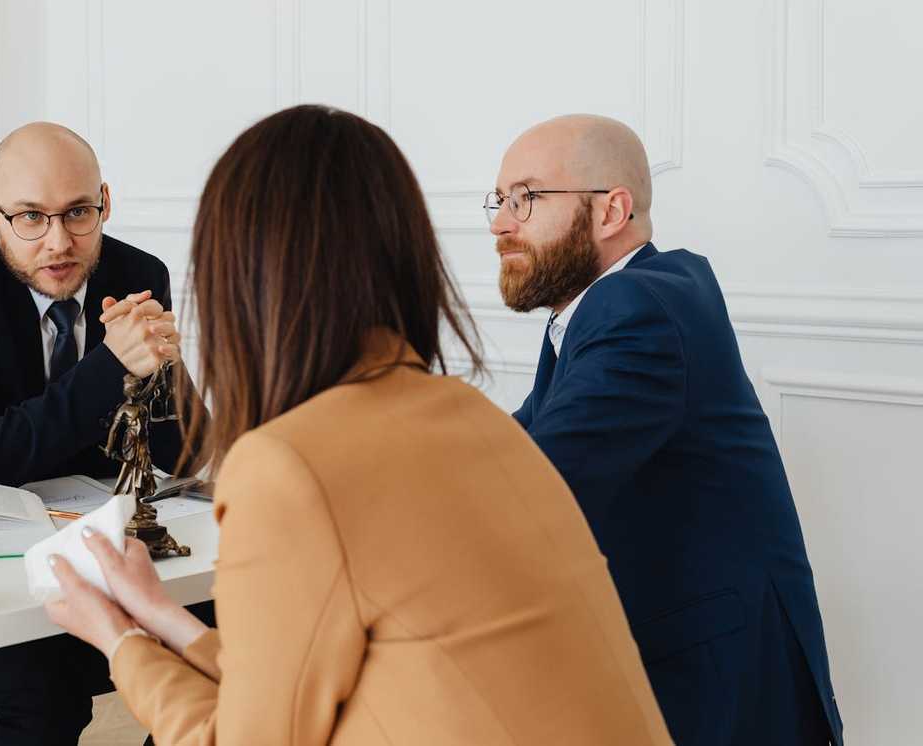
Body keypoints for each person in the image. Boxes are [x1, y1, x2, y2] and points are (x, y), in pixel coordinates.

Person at [44, 105, 672, 745]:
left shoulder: (289, 465)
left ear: (242, 275)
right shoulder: (473, 417)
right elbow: (298, 689)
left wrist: (120, 641)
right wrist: (160, 616)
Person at [489, 114, 843, 745]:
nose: (500, 222)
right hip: (692, 660)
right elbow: (520, 437)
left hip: (718, 687)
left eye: (526, 198)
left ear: (610, 210)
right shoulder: (612, 305)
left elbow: (537, 483)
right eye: (499, 201)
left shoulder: (637, 307)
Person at [0, 121, 208, 745]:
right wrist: (109, 367)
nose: (58, 242)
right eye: (30, 218)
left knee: (229, 654)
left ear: (105, 202)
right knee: (44, 703)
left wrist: (169, 373)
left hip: (100, 530)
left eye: (77, 213)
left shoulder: (136, 270)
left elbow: (180, 450)